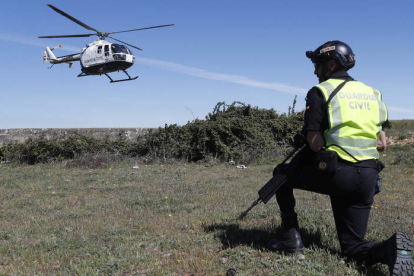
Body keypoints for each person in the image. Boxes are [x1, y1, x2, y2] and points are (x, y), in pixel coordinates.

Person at [268, 40, 414, 275]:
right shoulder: (373, 93)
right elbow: (381, 144)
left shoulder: (321, 92)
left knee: (280, 175)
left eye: (318, 64)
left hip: (337, 173)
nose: (315, 71)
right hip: (367, 177)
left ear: (332, 64)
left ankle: (291, 240)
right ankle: (392, 248)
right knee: (352, 247)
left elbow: (315, 144)